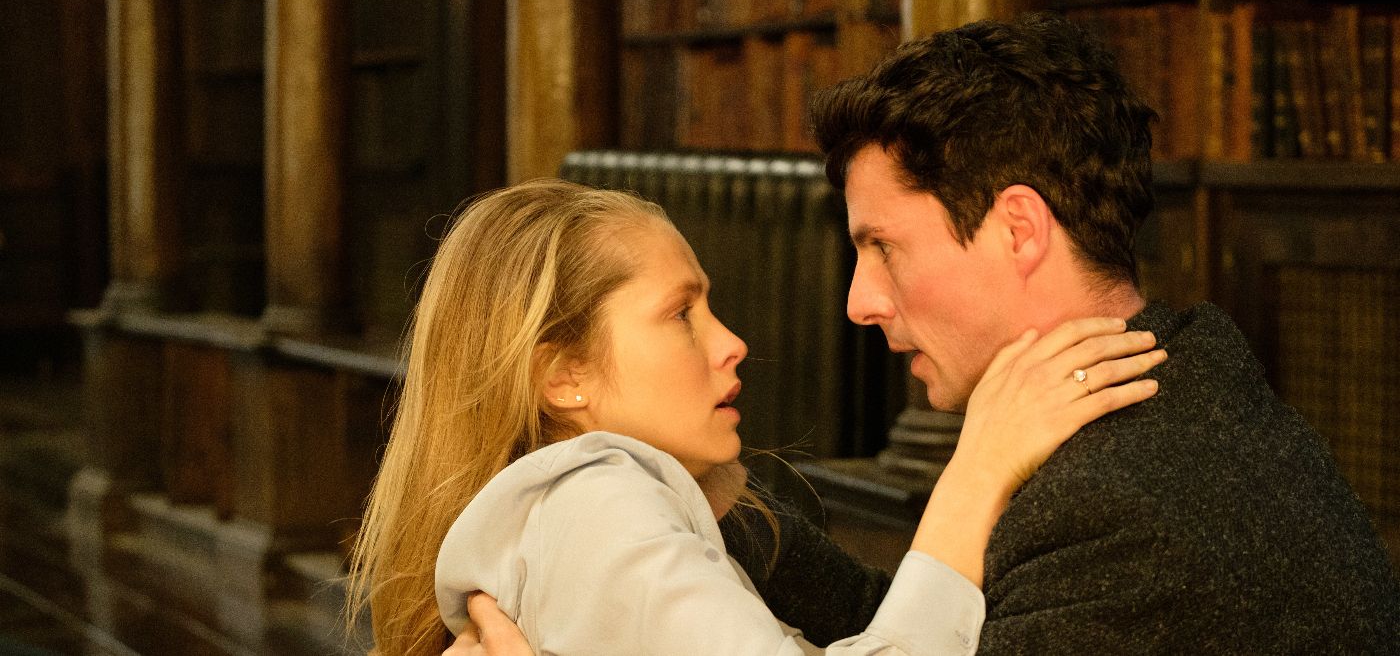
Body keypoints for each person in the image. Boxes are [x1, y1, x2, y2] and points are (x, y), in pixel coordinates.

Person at [458, 12, 1400, 653]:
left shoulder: (1126, 504)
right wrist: (719, 520)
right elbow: (946, 630)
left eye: (883, 247)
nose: (860, 302)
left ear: (1019, 229)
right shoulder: (1175, 388)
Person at [345, 179, 1165, 655]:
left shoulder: (585, 513)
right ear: (564, 375)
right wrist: (975, 475)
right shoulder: (599, 509)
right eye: (682, 314)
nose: (732, 343)